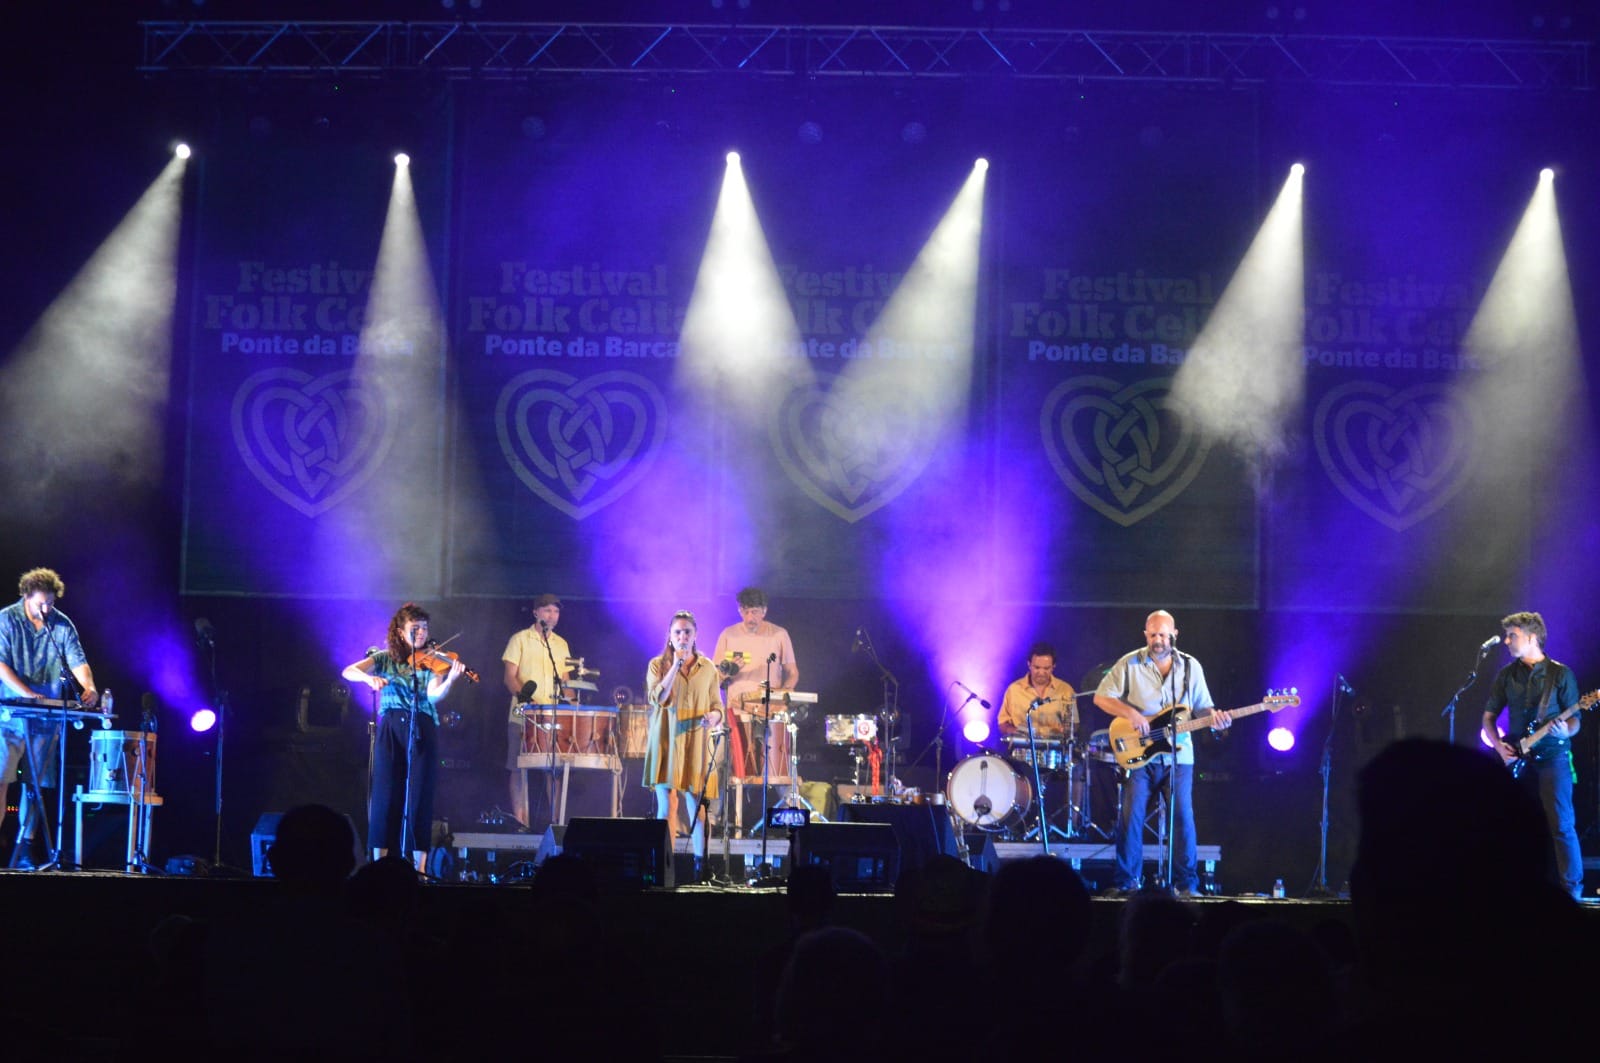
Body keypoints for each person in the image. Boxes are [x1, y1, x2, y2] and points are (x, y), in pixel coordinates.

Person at [1094, 610, 1230, 897]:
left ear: (1174, 635)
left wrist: (1216, 719)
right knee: (1131, 817)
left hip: (1180, 757)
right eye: (1153, 634)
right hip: (1139, 755)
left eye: (1163, 635)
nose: (1158, 640)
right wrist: (1130, 713)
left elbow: (1203, 707)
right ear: (1146, 634)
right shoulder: (1129, 663)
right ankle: (1127, 882)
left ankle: (1186, 884)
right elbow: (1101, 697)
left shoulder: (1191, 667)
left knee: (1183, 817)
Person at [341, 602, 466, 872]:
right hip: (392, 726)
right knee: (386, 792)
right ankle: (379, 864)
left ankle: (419, 868)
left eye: (424, 628)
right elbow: (349, 671)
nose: (421, 633)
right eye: (415, 628)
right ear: (400, 632)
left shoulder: (431, 661)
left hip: (422, 724)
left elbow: (432, 697)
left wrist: (450, 680)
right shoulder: (384, 658)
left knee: (421, 794)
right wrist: (369, 680)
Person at [0, 567, 100, 869]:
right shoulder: (6, 619)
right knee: (1, 779)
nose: (46, 609)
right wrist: (28, 693)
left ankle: (26, 846)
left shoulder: (62, 625)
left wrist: (89, 687)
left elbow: (77, 660)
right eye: (41, 603)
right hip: (8, 716)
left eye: (51, 604)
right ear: (26, 596)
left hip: (45, 719)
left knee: (36, 784)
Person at [1480, 610, 1585, 900]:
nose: (1506, 641)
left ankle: (1572, 893)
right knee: (1509, 823)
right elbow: (1488, 718)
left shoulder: (1560, 674)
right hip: (1516, 759)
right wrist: (1500, 747)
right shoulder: (1506, 675)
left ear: (1532, 637)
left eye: (1511, 635)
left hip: (1554, 757)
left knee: (1562, 826)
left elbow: (1576, 721)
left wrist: (1566, 731)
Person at [643, 610, 725, 874]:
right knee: (667, 805)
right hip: (667, 739)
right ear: (670, 636)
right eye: (677, 632)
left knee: (696, 803)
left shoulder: (708, 667)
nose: (682, 636)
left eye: (687, 631)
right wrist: (675, 666)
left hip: (696, 741)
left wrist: (714, 716)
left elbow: (717, 706)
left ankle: (701, 865)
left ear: (695, 635)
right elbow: (658, 698)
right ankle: (662, 863)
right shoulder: (657, 665)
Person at [713, 587, 799, 784]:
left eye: (755, 612)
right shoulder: (728, 635)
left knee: (781, 768)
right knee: (718, 763)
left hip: (770, 712)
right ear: (739, 610)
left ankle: (786, 810)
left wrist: (784, 695)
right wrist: (728, 671)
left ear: (764, 611)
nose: (750, 617)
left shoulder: (779, 634)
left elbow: (793, 672)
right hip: (736, 712)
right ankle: (714, 814)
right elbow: (715, 680)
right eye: (745, 611)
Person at [500, 593, 572, 827]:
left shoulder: (561, 644)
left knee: (554, 769)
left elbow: (566, 681)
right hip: (522, 717)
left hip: (552, 718)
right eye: (547, 610)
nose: (552, 615)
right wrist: (525, 701)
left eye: (556, 611)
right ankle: (521, 822)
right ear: (536, 613)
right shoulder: (519, 639)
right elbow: (510, 677)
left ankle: (556, 822)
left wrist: (572, 706)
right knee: (518, 767)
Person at [998, 641, 1077, 739]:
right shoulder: (1014, 690)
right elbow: (1003, 723)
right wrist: (1015, 731)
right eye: (1037, 667)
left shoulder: (1066, 690)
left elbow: (1074, 724)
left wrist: (1066, 730)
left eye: (1046, 668)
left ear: (1053, 667)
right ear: (1029, 664)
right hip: (1022, 748)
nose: (1041, 672)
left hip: (1054, 750)